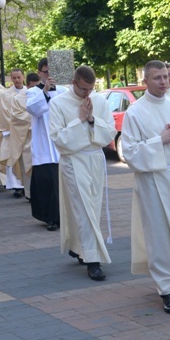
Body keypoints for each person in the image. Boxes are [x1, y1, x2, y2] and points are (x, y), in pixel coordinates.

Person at [121, 60, 170, 314]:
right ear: (146, 81)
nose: (164, 81)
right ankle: (166, 288)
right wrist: (161, 140)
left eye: (167, 76)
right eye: (157, 77)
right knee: (158, 235)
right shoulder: (135, 112)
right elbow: (130, 153)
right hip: (151, 181)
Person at [49, 65, 117, 281]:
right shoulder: (59, 103)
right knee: (84, 208)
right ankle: (93, 260)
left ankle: (80, 247)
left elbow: (109, 132)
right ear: (74, 83)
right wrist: (79, 120)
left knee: (92, 208)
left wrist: (91, 120)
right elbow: (59, 139)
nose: (87, 94)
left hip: (95, 159)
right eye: (83, 89)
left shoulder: (100, 101)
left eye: (91, 89)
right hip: (73, 161)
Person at [26, 58, 67, 231]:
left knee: (63, 185)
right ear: (40, 73)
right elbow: (33, 109)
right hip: (44, 145)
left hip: (62, 143)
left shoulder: (65, 90)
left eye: (52, 71)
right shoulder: (33, 92)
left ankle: (63, 216)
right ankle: (50, 218)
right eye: (45, 72)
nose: (49, 75)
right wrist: (46, 91)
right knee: (47, 183)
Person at [0, 69, 28, 198]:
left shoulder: (29, 92)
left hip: (27, 131)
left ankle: (27, 186)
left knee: (26, 158)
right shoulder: (5, 95)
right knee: (13, 157)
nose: (16, 80)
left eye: (18, 77)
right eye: (14, 78)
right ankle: (17, 186)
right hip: (12, 131)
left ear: (23, 77)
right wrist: (15, 125)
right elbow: (3, 113)